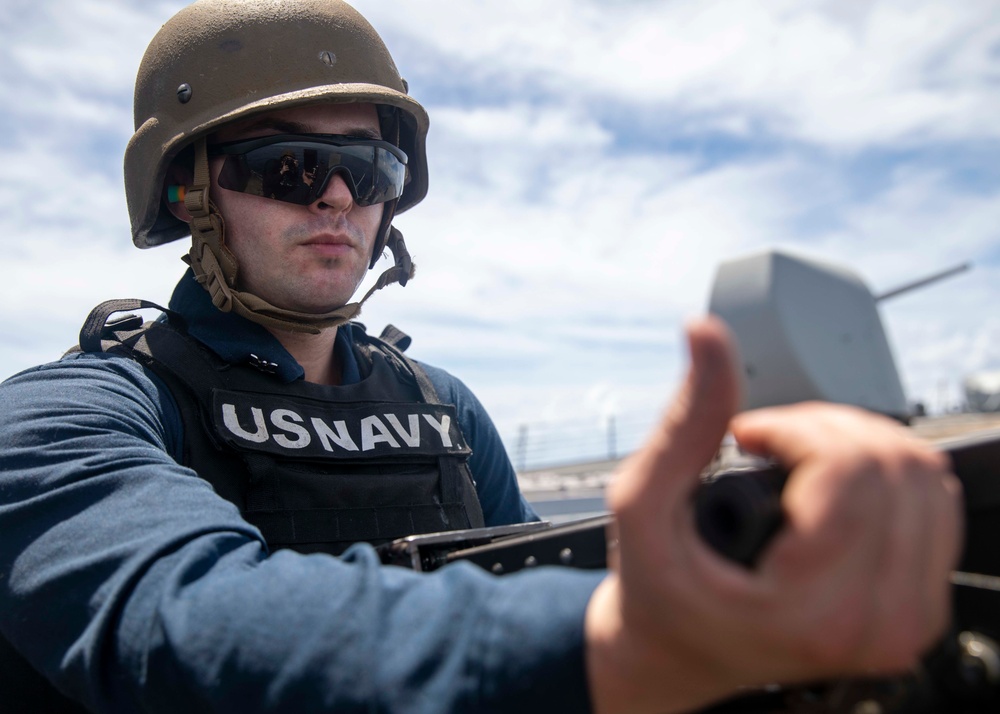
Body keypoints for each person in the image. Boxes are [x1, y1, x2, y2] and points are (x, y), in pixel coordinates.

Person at [0, 1, 962, 713]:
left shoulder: (442, 406)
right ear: (186, 193)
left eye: (369, 172)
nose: (337, 199)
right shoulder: (70, 416)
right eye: (288, 166)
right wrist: (618, 644)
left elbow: (542, 570)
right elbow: (176, 626)